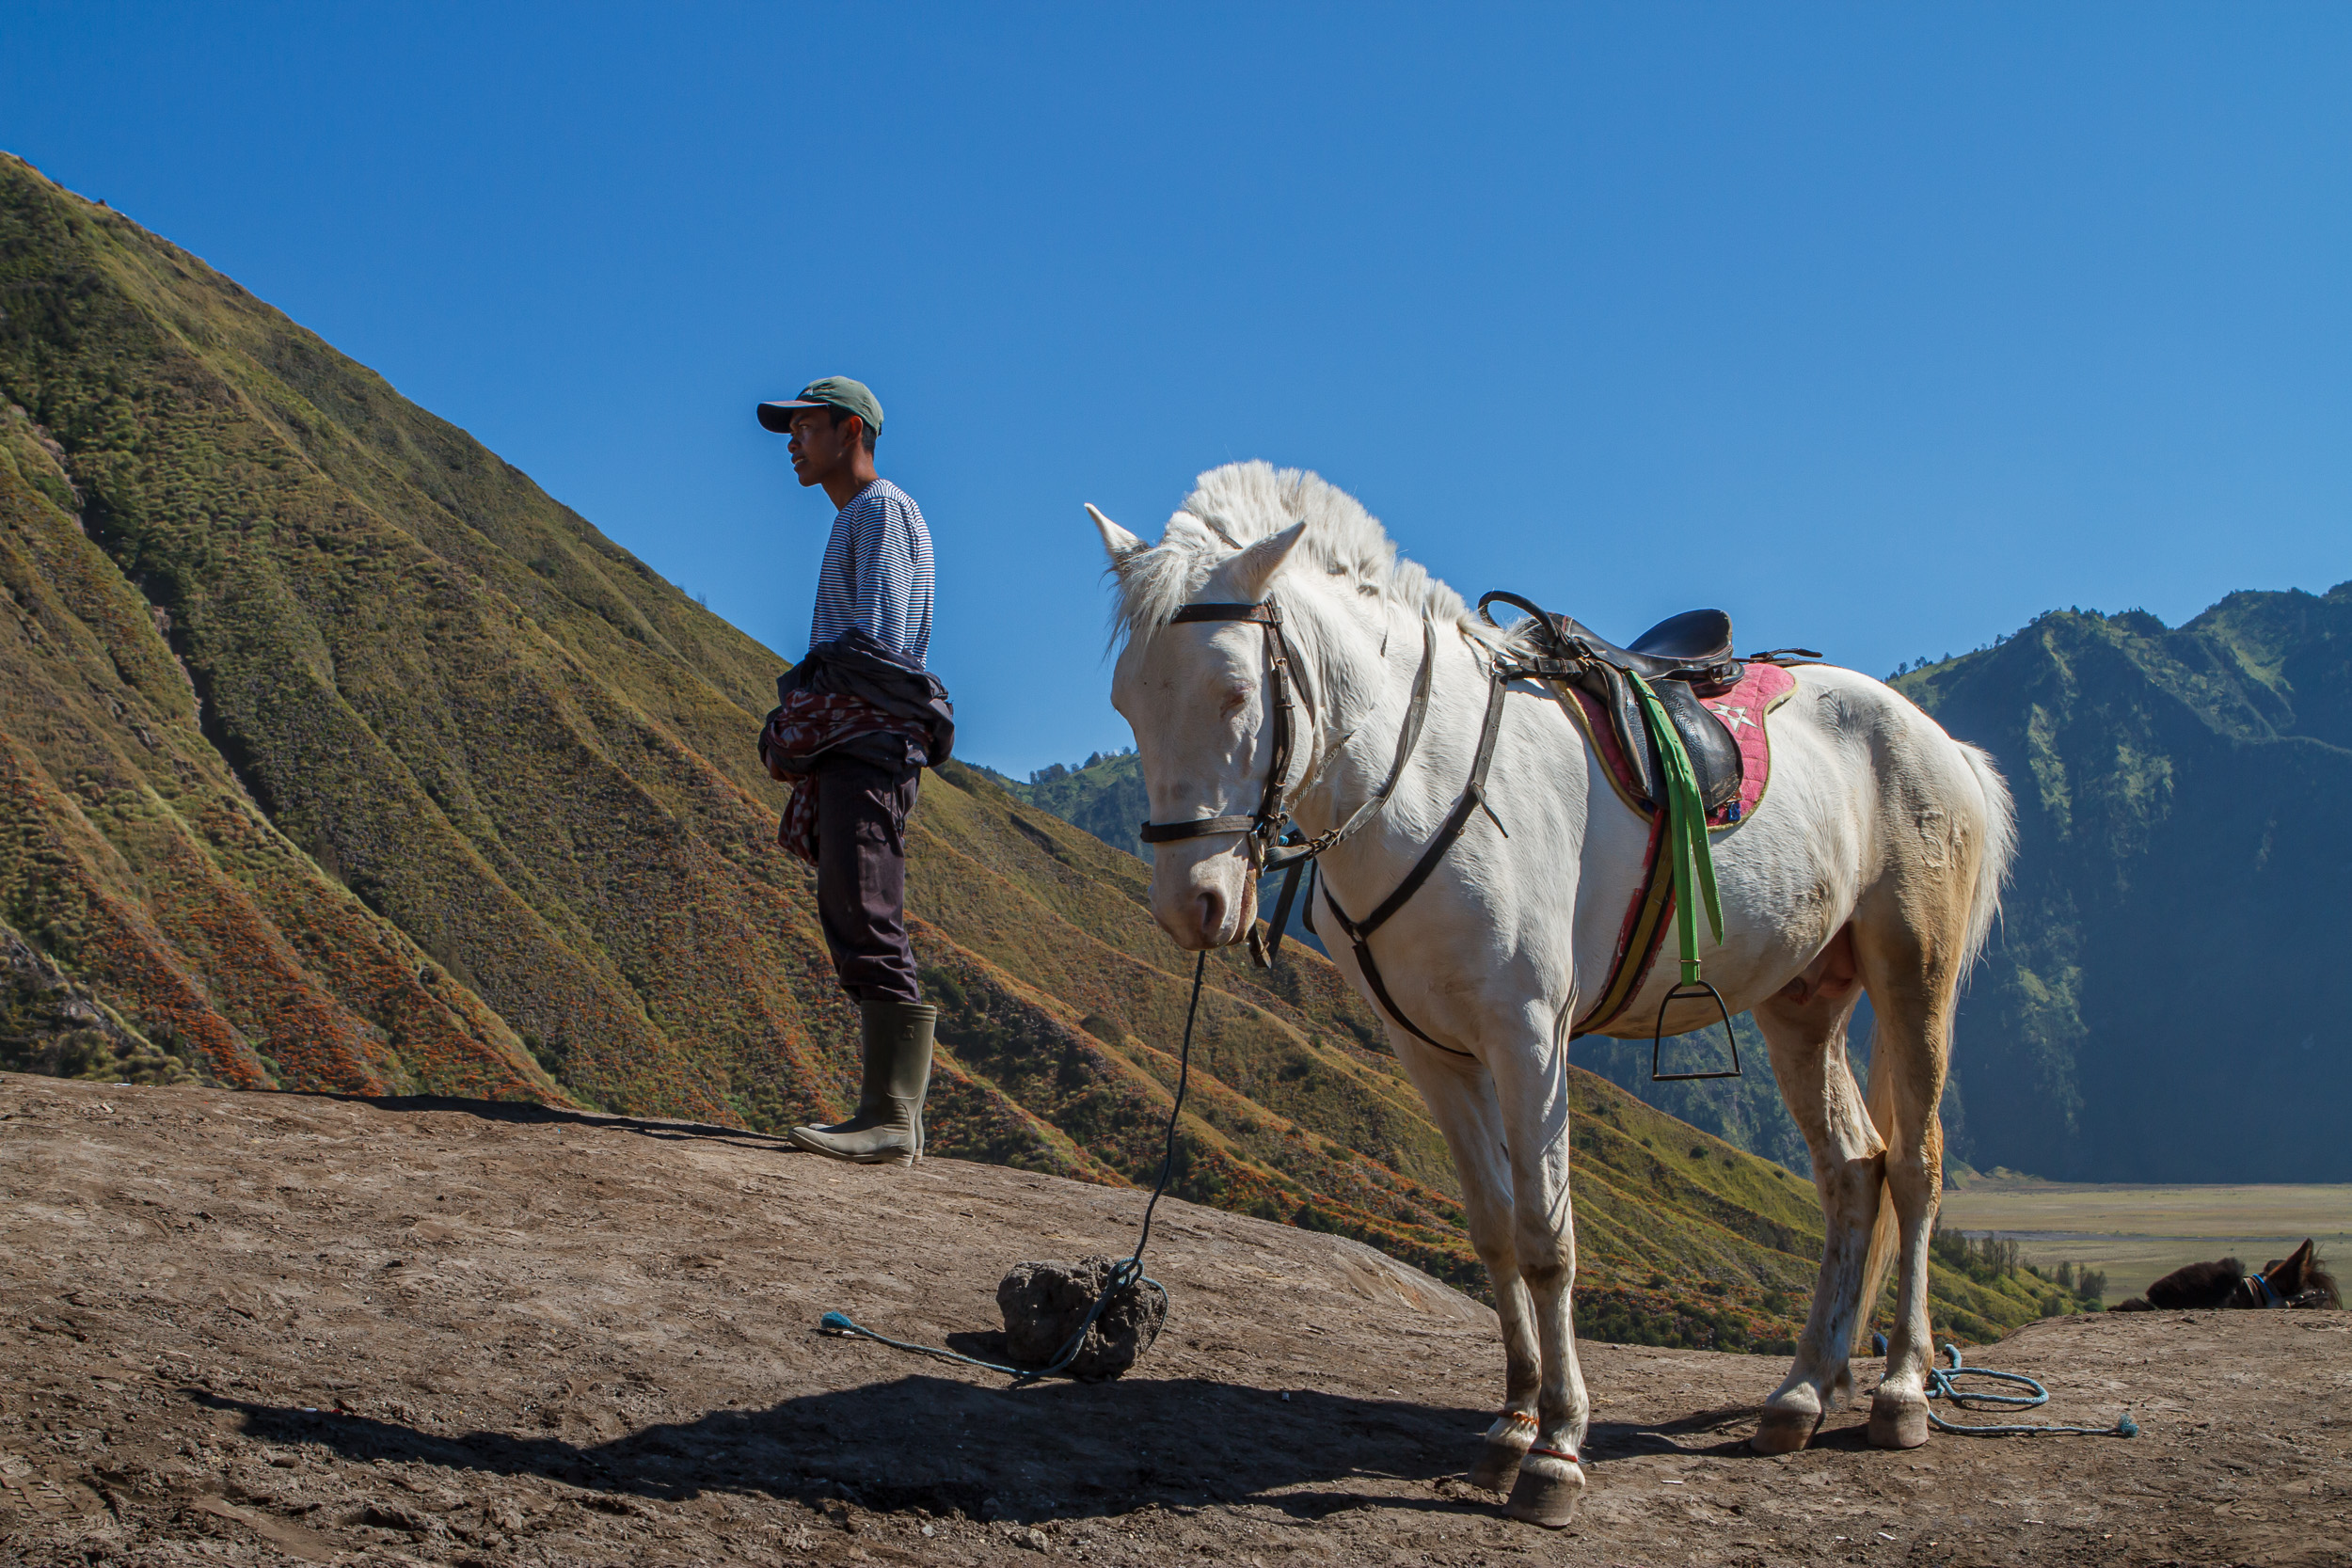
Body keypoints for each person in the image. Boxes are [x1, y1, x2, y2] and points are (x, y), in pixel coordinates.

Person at [755, 376, 953, 1167]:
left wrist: (812, 711)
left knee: (868, 907)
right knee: (850, 900)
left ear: (849, 431)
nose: (792, 443)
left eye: (803, 428)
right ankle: (889, 1112)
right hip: (858, 738)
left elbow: (875, 647)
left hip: (868, 740)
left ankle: (892, 1118)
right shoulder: (860, 517)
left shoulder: (881, 509)